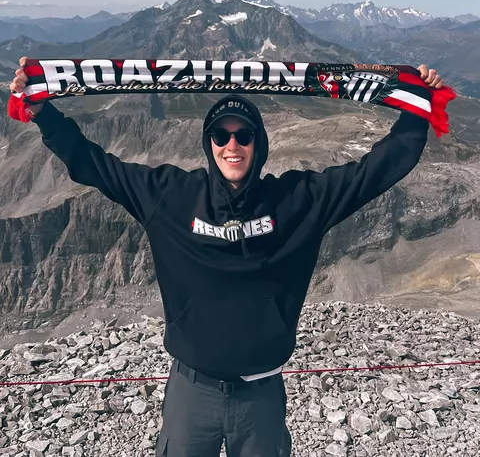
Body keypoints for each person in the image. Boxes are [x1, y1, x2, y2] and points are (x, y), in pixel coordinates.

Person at [9, 59, 444, 457]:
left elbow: (373, 173)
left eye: (244, 135)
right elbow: (92, 164)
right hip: (190, 392)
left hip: (261, 396)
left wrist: (415, 110)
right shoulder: (170, 196)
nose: (231, 146)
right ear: (209, 143)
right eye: (220, 135)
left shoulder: (298, 201)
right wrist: (44, 114)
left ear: (259, 143)